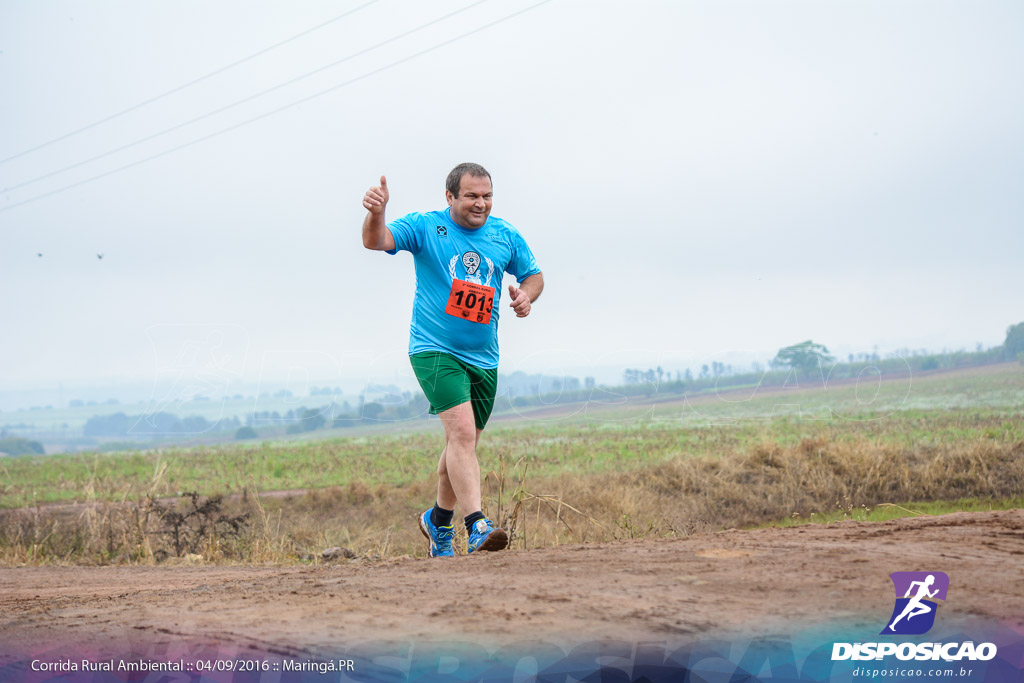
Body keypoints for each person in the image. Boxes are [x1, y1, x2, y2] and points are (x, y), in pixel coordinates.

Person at [361, 163, 544, 557]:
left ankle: (437, 523)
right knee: (461, 435)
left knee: (463, 445)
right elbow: (377, 241)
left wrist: (527, 295)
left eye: (487, 196)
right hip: (433, 349)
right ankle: (476, 524)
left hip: (484, 357)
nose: (481, 204)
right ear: (450, 197)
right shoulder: (426, 227)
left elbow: (534, 275)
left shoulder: (504, 234)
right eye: (472, 196)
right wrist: (376, 214)